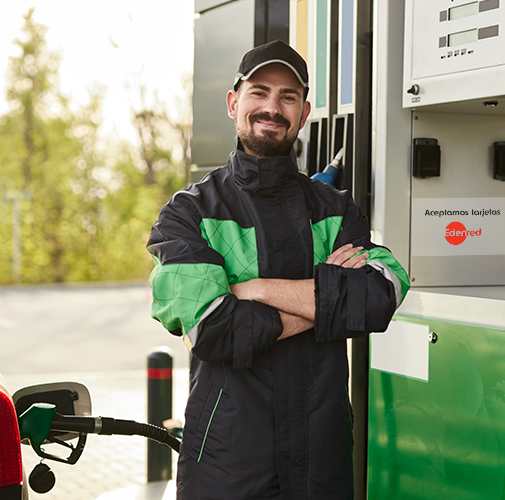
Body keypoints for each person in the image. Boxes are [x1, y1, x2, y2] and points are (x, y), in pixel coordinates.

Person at [147, 40, 409, 500]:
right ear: (233, 103)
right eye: (259, 92)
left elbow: (380, 293)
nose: (273, 107)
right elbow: (214, 329)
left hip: (321, 460)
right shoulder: (188, 214)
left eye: (288, 96)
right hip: (228, 461)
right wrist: (328, 302)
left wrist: (253, 288)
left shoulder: (334, 209)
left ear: (304, 112)